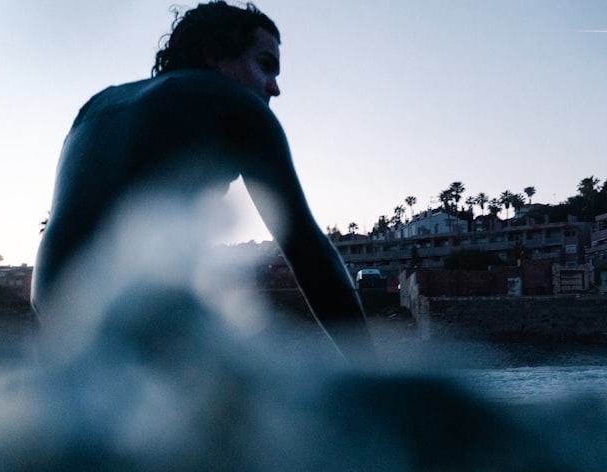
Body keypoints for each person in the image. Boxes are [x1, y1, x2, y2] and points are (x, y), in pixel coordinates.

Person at [32, 1, 373, 363]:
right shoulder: (234, 102)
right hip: (137, 321)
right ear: (213, 53)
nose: (274, 88)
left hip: (57, 321)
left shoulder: (95, 108)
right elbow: (306, 249)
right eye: (265, 65)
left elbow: (69, 234)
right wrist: (372, 371)